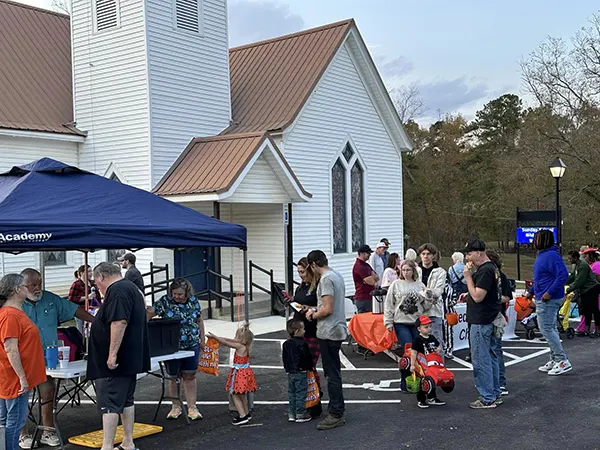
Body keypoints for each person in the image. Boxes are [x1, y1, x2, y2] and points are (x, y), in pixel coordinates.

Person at [19, 268, 95, 449]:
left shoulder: (50, 298)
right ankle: (22, 434)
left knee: (47, 393)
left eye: (39, 284)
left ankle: (47, 431)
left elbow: (73, 309)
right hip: (23, 359)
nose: (38, 288)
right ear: (23, 286)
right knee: (21, 397)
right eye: (33, 285)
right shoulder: (15, 304)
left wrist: (95, 321)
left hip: (47, 358)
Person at [88, 262, 150, 450]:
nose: (96, 286)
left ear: (100, 277)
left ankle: (107, 446)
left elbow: (119, 322)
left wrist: (111, 355)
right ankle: (128, 442)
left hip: (116, 361)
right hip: (130, 357)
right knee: (125, 400)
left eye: (95, 281)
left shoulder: (117, 290)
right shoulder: (131, 288)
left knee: (110, 403)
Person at [147, 278, 205, 421]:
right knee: (173, 377)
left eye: (180, 294)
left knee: (190, 375)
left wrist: (202, 339)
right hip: (171, 346)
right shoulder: (165, 301)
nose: (177, 297)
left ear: (187, 292)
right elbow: (150, 313)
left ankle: (192, 407)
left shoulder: (193, 302)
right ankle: (176, 406)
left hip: (191, 344)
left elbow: (199, 320)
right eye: (174, 293)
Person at [0, 274, 46, 450]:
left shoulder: (10, 313)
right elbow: (10, 348)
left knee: (6, 420)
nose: (28, 289)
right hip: (13, 377)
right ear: (17, 290)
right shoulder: (11, 315)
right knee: (15, 421)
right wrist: (22, 377)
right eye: (25, 286)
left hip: (8, 375)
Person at [305, 250, 347, 430]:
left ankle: (336, 413)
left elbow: (328, 309)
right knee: (334, 372)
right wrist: (316, 308)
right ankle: (337, 408)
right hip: (336, 329)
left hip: (329, 331)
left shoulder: (326, 279)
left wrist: (312, 314)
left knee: (332, 374)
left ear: (313, 264)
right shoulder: (336, 275)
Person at [462, 239, 502, 409]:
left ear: (478, 253)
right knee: (491, 356)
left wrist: (468, 277)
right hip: (490, 317)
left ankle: (487, 397)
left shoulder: (485, 271)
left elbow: (478, 296)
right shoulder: (492, 268)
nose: (467, 258)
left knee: (481, 358)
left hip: (481, 320)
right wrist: (468, 293)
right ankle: (494, 392)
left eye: (469, 254)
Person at [525, 230, 571, 375]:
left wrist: (549, 293)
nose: (534, 242)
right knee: (550, 328)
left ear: (544, 241)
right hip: (543, 295)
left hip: (548, 298)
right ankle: (555, 358)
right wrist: (532, 290)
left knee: (546, 329)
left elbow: (563, 275)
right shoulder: (544, 255)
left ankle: (561, 360)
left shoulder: (551, 256)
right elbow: (542, 277)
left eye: (537, 239)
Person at [384, 260, 432, 391]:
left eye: (408, 270)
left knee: (419, 352)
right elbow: (389, 304)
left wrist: (428, 296)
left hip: (416, 322)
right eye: (403, 270)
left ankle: (420, 379)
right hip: (401, 322)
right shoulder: (396, 285)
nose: (405, 273)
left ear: (413, 271)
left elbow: (426, 307)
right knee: (408, 351)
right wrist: (388, 322)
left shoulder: (420, 285)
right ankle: (405, 381)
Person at [208, 325, 257, 426]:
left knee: (234, 394)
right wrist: (217, 337)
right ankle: (247, 413)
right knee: (242, 395)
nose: (234, 338)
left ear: (241, 339)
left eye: (236, 336)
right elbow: (228, 340)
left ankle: (242, 415)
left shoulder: (239, 346)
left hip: (239, 374)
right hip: (245, 372)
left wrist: (215, 337)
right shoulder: (245, 346)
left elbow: (226, 342)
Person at [485, 250, 512, 397]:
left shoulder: (501, 277)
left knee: (495, 349)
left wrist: (491, 297)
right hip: (482, 317)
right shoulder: (481, 275)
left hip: (496, 316)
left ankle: (501, 382)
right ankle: (491, 382)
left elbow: (507, 297)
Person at [287, 258, 320, 367]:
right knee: (297, 365)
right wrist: (291, 300)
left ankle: (312, 384)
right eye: (298, 272)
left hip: (311, 331)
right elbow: (298, 303)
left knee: (309, 366)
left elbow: (324, 307)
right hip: (297, 332)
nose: (301, 275)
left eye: (302, 272)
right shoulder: (300, 287)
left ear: (310, 270)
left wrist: (309, 308)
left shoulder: (318, 287)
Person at [410, 315, 446, 408]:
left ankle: (432, 398)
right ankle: (421, 399)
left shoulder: (431, 337)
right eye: (426, 327)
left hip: (431, 362)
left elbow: (438, 345)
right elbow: (413, 353)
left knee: (432, 379)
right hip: (422, 363)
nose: (429, 329)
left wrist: (438, 349)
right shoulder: (417, 340)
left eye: (430, 326)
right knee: (423, 381)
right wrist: (412, 364)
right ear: (419, 328)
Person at [282, 319, 314, 423]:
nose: (304, 331)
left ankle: (292, 413)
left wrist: (287, 368)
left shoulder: (286, 344)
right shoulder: (303, 343)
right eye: (303, 329)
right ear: (297, 331)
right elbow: (307, 357)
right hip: (301, 371)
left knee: (292, 392)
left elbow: (285, 358)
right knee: (301, 393)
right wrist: (310, 366)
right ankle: (300, 413)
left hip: (290, 371)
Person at [418, 243, 447, 350]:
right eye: (423, 254)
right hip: (418, 312)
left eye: (428, 254)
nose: (426, 256)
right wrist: (429, 294)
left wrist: (424, 291)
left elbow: (438, 292)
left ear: (433, 255)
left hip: (434, 312)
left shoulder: (440, 272)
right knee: (419, 347)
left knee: (437, 345)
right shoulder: (416, 271)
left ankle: (439, 366)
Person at [566, 250, 600, 338]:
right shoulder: (576, 266)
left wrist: (569, 288)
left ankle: (598, 330)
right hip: (584, 290)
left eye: (570, 259)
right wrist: (563, 283)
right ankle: (586, 329)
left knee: (594, 309)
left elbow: (579, 281)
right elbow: (572, 277)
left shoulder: (583, 266)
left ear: (575, 258)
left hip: (591, 288)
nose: (569, 260)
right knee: (586, 310)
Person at [67, 265, 100, 335]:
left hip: (93, 310)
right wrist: (86, 297)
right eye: (88, 271)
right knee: (81, 330)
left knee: (92, 329)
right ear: (82, 273)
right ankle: (82, 344)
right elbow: (71, 298)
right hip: (81, 311)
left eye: (91, 271)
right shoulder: (76, 284)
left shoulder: (92, 283)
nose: (91, 273)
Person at [352, 245, 379, 313]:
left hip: (369, 297)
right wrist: (371, 279)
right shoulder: (359, 266)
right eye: (368, 253)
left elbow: (377, 277)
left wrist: (371, 279)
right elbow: (371, 282)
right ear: (361, 253)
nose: (369, 255)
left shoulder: (366, 265)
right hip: (363, 298)